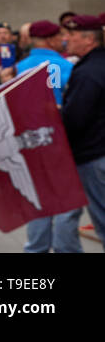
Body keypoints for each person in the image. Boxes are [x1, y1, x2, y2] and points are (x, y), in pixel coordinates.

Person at [17, 20, 81, 253]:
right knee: (66, 200)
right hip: (62, 140)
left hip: (31, 141)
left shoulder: (19, 67)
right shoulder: (66, 66)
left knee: (39, 201)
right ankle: (66, 249)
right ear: (51, 39)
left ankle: (36, 248)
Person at [61, 14, 105, 250]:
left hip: (94, 157)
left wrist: (58, 114)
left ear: (89, 40)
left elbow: (75, 119)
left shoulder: (88, 73)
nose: (66, 40)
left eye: (72, 35)